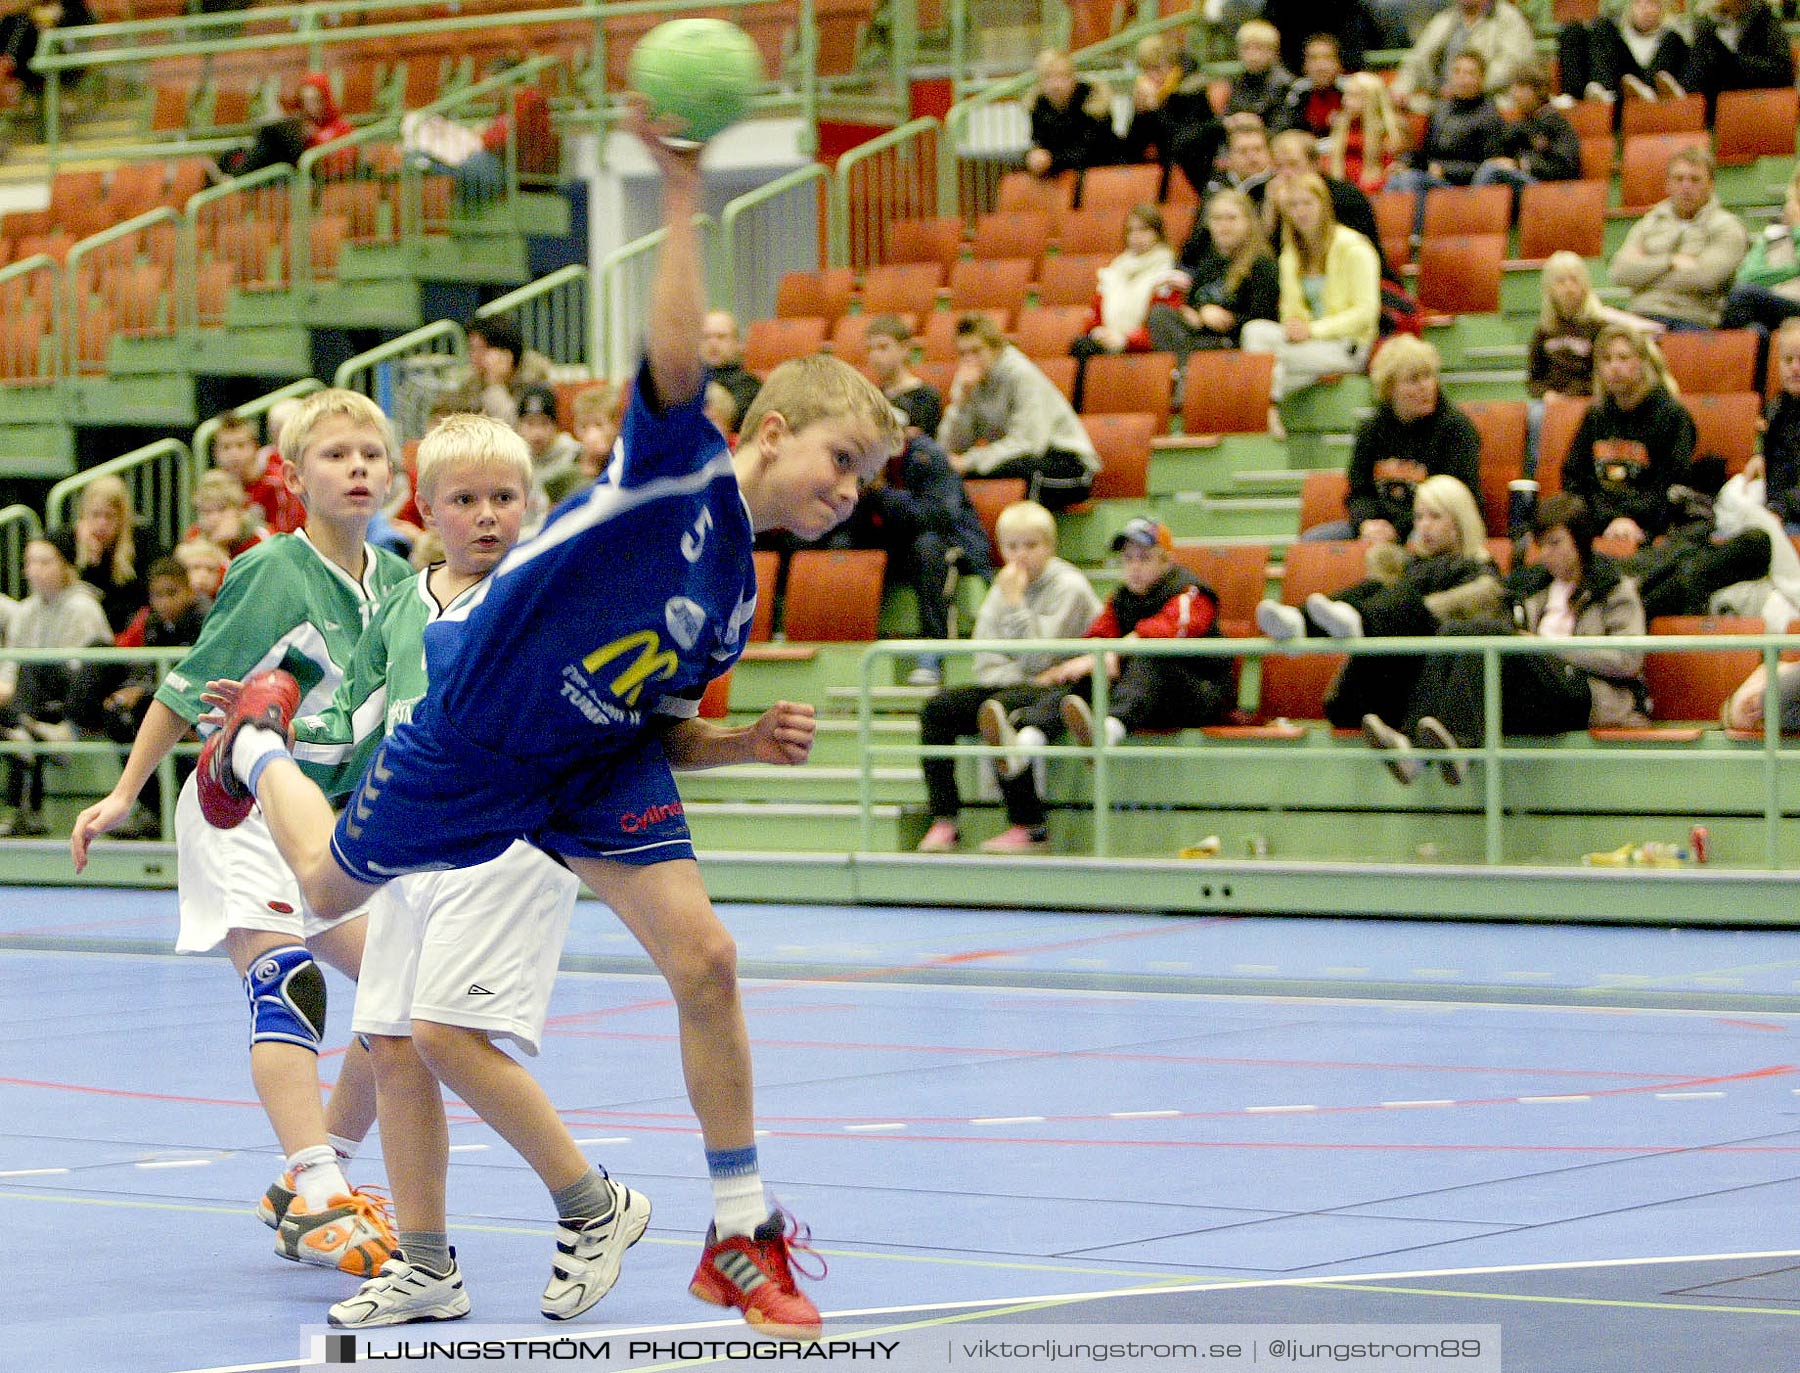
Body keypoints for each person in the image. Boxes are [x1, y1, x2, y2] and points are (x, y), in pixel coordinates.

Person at [126, 112, 905, 1340]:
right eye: (841, 457)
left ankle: (741, 1231)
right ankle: (260, 740)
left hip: (592, 765)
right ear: (766, 431)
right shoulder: (677, 471)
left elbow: (664, 728)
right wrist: (684, 187)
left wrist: (742, 745)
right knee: (330, 885)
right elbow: (672, 355)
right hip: (472, 740)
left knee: (706, 958)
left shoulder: (734, 600)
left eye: (866, 476)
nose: (849, 490)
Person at [269, 417, 642, 1328]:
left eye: (504, 499)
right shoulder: (401, 602)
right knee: (392, 1044)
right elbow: (362, 715)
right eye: (465, 500)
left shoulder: (541, 596)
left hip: (507, 838)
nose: (485, 516)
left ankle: (595, 1204)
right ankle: (428, 1266)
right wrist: (272, 733)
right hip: (407, 840)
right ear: (423, 508)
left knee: (445, 1032)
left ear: (531, 505)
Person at [68, 388, 412, 1277]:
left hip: (328, 824)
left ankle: (312, 1174)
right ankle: (320, 1182)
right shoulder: (269, 570)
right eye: (336, 455)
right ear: (294, 478)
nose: (359, 468)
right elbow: (189, 687)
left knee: (402, 993)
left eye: (371, 454)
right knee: (288, 983)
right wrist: (123, 791)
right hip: (241, 805)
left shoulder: (403, 586)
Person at [977, 517, 1230, 853]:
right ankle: (1026, 742)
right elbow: (1096, 637)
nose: (1134, 568)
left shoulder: (1191, 592)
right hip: (1144, 700)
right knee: (1090, 669)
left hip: (1197, 696)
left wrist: (1118, 650)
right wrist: (1085, 661)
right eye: (1128, 559)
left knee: (1148, 655)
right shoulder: (1121, 599)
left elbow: (1173, 629)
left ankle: (1106, 733)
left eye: (1144, 558)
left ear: (1166, 560)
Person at [1362, 493, 1649, 783]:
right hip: (1540, 689)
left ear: (1581, 540)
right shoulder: (1534, 587)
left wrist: (1544, 646)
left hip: (1588, 693)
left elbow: (1627, 659)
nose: (1546, 553)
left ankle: (1460, 745)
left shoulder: (1613, 587)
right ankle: (1412, 745)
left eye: (1555, 542)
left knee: (1489, 633)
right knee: (1457, 632)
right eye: (1541, 544)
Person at [915, 500, 1101, 853]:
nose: (1020, 556)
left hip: (1061, 687)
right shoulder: (1003, 584)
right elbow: (984, 654)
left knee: (1000, 711)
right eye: (1012, 547)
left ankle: (1029, 825)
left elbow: (1042, 656)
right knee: (936, 710)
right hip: (1016, 682)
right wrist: (1022, 669)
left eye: (1031, 546)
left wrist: (1015, 604)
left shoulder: (1069, 587)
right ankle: (944, 819)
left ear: (1050, 546)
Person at [1258, 475, 1500, 730]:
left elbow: (1447, 618)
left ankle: (1356, 621)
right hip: (1382, 681)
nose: (1424, 526)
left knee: (1401, 599)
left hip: (1424, 688)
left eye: (1435, 517)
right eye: (1419, 517)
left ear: (1460, 520)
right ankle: (1299, 621)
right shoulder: (1410, 566)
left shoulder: (1478, 573)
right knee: (1373, 588)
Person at [828, 427, 994, 687]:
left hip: (953, 541)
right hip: (902, 543)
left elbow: (937, 516)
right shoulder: (856, 462)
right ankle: (846, 653)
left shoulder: (927, 457)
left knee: (928, 549)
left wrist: (880, 494)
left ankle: (932, 654)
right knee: (843, 545)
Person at [73, 555, 206, 839]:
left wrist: (144, 691)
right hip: (165, 704)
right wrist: (130, 692)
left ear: (189, 590)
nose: (164, 602)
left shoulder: (205, 620)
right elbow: (145, 668)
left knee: (176, 741)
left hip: (200, 711)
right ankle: (151, 810)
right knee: (118, 716)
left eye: (172, 593)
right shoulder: (152, 623)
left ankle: (194, 817)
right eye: (157, 595)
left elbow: (201, 673)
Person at [1305, 336, 1481, 543]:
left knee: (1420, 539)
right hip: (1379, 527)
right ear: (1390, 389)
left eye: (1429, 376)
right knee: (1314, 540)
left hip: (1434, 528)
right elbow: (1359, 493)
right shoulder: (1371, 430)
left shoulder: (1456, 429)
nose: (1425, 386)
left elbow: (1453, 502)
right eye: (1413, 380)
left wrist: (1396, 529)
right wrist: (1367, 523)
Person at [0, 531, 111, 836]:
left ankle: (31, 732)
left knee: (36, 667)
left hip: (74, 698)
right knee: (20, 706)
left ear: (65, 565)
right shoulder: (26, 610)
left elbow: (86, 670)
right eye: (30, 562)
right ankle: (25, 809)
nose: (34, 569)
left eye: (44, 561)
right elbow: (11, 664)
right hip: (33, 699)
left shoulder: (83, 607)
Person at [1240, 173, 1381, 402]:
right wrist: (1294, 326)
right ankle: (1270, 401)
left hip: (1347, 345)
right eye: (1293, 205)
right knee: (1254, 331)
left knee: (1266, 365)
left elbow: (1366, 314)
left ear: (1324, 205)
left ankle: (1266, 408)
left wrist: (1313, 330)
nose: (1301, 211)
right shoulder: (1290, 255)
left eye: (1307, 203)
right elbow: (1290, 311)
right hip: (1305, 345)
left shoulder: (1355, 248)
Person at [938, 313, 1101, 510]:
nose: (970, 360)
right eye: (963, 353)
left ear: (996, 349)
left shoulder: (1021, 375)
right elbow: (951, 448)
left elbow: (1029, 444)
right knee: (953, 475)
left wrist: (970, 461)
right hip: (1016, 458)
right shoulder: (967, 381)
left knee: (1019, 472)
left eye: (976, 351)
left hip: (1067, 463)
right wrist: (960, 403)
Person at [1560, 324, 1695, 549]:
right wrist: (1608, 519)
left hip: (1651, 526)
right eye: (1607, 359)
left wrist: (1631, 519)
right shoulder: (1595, 415)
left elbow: (1670, 486)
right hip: (1598, 524)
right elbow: (1574, 479)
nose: (1615, 367)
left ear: (1643, 363)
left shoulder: (1671, 415)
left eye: (1623, 358)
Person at [1609, 146, 1748, 332]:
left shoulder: (1727, 226)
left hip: (1691, 319)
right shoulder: (1651, 221)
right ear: (1668, 184)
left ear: (1711, 184)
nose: (1686, 186)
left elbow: (1704, 279)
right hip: (1641, 315)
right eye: (1679, 179)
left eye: (1695, 179)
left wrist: (1644, 275)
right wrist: (1670, 261)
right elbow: (1619, 272)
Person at [1148, 188, 1279, 358]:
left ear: (1248, 222)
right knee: (1160, 314)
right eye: (1217, 219)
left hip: (1232, 342)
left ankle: (1182, 373)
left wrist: (1228, 320)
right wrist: (1200, 311)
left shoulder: (1262, 263)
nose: (1223, 225)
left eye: (1231, 218)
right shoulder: (1210, 259)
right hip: (1199, 335)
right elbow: (1193, 298)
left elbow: (1263, 319)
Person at [1387, 51, 1505, 237]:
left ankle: (1415, 240)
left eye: (1469, 73)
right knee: (1396, 178)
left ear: (1481, 78)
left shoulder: (1490, 116)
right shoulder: (1441, 109)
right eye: (1457, 72)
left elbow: (1490, 169)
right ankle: (1390, 240)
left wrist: (1446, 169)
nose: (1462, 78)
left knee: (1411, 181)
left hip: (1462, 189)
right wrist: (1405, 161)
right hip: (1432, 178)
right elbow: (1425, 152)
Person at [1526, 252, 1610, 473]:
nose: (1569, 287)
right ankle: (1539, 473)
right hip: (1550, 400)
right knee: (1535, 416)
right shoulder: (1544, 330)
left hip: (1587, 395)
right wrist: (1547, 394)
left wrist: (1571, 396)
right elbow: (1534, 378)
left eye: (1574, 280)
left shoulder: (1598, 326)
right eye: (1561, 282)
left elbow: (1601, 374)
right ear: (1550, 288)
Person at [1118, 33, 1225, 202]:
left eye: (1157, 68)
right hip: (1161, 173)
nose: (1151, 76)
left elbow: (1179, 142)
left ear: (1174, 67)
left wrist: (1155, 109)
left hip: (1195, 172)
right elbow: (1132, 151)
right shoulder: (1152, 95)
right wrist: (1140, 113)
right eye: (1146, 69)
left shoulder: (1193, 92)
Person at [1720, 165, 1800, 384]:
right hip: (1775, 306)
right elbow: (1748, 274)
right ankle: (1755, 399)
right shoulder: (1775, 231)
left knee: (1741, 296)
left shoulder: (1793, 227)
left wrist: (1797, 229)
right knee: (1755, 332)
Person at [1072, 204, 1178, 363]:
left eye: (1143, 230)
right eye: (1131, 230)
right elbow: (1094, 316)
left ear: (1158, 233)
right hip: (1110, 345)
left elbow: (1164, 329)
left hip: (1145, 351)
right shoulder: (1114, 270)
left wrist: (1126, 340)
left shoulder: (1169, 272)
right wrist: (1098, 332)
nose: (1136, 236)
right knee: (1081, 346)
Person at [1391, 0, 1537, 112]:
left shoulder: (1509, 18)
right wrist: (1402, 88)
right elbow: (1417, 59)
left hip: (1489, 102)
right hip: (1440, 101)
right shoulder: (1446, 18)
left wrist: (1464, 85)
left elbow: (1512, 64)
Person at [1472, 64, 1581, 211]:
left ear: (1538, 91)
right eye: (1514, 88)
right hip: (1529, 183)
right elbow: (1496, 150)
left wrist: (1521, 164)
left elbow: (1566, 167)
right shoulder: (1523, 123)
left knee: (1492, 170)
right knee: (1491, 166)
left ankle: (1474, 219)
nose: (1514, 94)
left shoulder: (1555, 122)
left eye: (1521, 88)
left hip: (1551, 189)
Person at [215, 72, 352, 182]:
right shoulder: (301, 122)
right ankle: (229, 175)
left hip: (313, 176)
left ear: (325, 99)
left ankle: (235, 178)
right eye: (305, 100)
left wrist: (313, 138)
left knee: (272, 135)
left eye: (315, 100)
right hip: (287, 166)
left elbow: (342, 159)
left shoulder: (340, 126)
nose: (309, 106)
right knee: (238, 150)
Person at [72, 474, 165, 636]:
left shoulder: (143, 540)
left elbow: (140, 598)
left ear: (122, 518)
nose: (102, 524)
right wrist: (91, 561)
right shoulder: (69, 541)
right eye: (95, 515)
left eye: (109, 516)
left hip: (130, 629)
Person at [1557, 0, 1689, 106]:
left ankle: (1645, 91)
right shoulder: (1619, 34)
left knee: (1673, 38)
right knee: (1575, 30)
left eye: (1652, 4)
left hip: (1651, 86)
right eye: (1640, 3)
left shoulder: (1670, 37)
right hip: (1619, 89)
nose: (1645, 9)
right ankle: (1582, 94)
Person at [1682, 0, 1795, 113]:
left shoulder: (1764, 22)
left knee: (1707, 46)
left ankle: (1686, 106)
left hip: (1754, 97)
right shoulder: (1722, 22)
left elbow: (1781, 70)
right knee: (1678, 41)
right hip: (1724, 95)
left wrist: (1732, 60)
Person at [1023, 48, 1117, 178]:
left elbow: (1094, 150)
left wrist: (1051, 160)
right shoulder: (1039, 106)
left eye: (1062, 76)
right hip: (1060, 178)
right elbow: (1038, 142)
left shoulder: (1093, 102)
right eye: (1048, 77)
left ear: (1073, 77)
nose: (1056, 85)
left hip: (1101, 176)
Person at [214, 409, 305, 535]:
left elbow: (285, 537)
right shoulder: (215, 488)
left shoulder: (276, 484)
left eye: (240, 445)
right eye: (226, 447)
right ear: (216, 453)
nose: (233, 454)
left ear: (255, 447)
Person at [512, 382, 584, 530]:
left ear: (556, 426)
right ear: (518, 426)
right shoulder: (510, 460)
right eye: (530, 424)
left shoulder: (575, 457)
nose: (537, 433)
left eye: (544, 424)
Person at [1324, 72, 1406, 195]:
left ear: (1371, 99)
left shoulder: (1391, 130)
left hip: (1377, 191)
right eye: (1346, 94)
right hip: (1343, 191)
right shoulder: (1341, 126)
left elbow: (1392, 172)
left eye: (1354, 96)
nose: (1345, 100)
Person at [864, 314, 942, 437]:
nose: (874, 356)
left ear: (905, 349)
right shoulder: (873, 397)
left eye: (883, 347)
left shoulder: (926, 397)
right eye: (870, 349)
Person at [466, 317, 553, 426]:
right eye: (471, 349)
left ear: (505, 353)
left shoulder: (534, 378)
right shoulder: (473, 380)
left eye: (480, 349)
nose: (473, 356)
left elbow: (515, 427)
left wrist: (495, 384)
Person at [1262, 4, 1380, 79]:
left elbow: (1371, 37)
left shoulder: (1353, 13)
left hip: (1348, 70)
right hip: (1292, 69)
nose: (1321, 65)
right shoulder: (1278, 8)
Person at [1271, 33, 1348, 141]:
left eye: (1327, 58)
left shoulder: (1350, 91)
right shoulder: (1297, 92)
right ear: (1305, 66)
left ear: (1338, 64)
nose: (1321, 66)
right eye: (1313, 59)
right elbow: (1287, 130)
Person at [1223, 19, 1293, 128]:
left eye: (1259, 48)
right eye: (1246, 48)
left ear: (1273, 51)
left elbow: (1282, 125)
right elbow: (1228, 114)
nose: (1252, 55)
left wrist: (1254, 125)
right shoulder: (1238, 81)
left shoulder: (1285, 84)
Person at [188, 468, 271, 560]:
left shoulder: (262, 539)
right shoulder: (195, 536)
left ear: (239, 510)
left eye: (221, 509)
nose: (214, 518)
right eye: (206, 512)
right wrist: (216, 548)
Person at [699, 310, 763, 426]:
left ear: (739, 344)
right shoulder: (685, 383)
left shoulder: (748, 384)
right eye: (706, 337)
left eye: (721, 337)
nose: (713, 343)